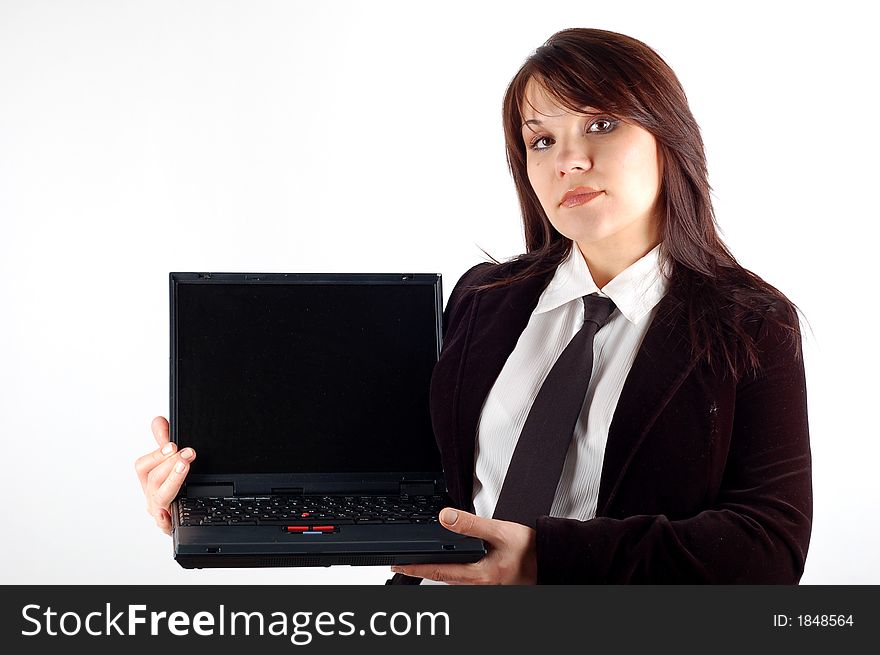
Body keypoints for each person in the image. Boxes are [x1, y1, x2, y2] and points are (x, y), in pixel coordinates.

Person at [136, 28, 812, 584]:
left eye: (600, 124)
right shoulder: (486, 298)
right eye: (541, 139)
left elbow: (768, 548)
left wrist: (547, 562)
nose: (567, 161)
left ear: (669, 137)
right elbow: (396, 468)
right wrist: (213, 493)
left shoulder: (750, 324)